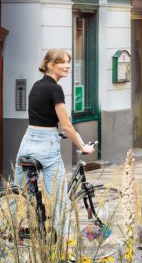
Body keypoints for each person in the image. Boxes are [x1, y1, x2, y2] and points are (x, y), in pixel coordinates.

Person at [15, 50, 95, 225]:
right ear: (50, 64)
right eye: (62, 62)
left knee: (18, 192)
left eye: (68, 62)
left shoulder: (36, 86)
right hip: (46, 145)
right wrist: (82, 147)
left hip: (28, 141)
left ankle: (11, 231)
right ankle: (67, 246)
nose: (67, 66)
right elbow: (66, 125)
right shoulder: (55, 89)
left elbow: (42, 116)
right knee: (60, 202)